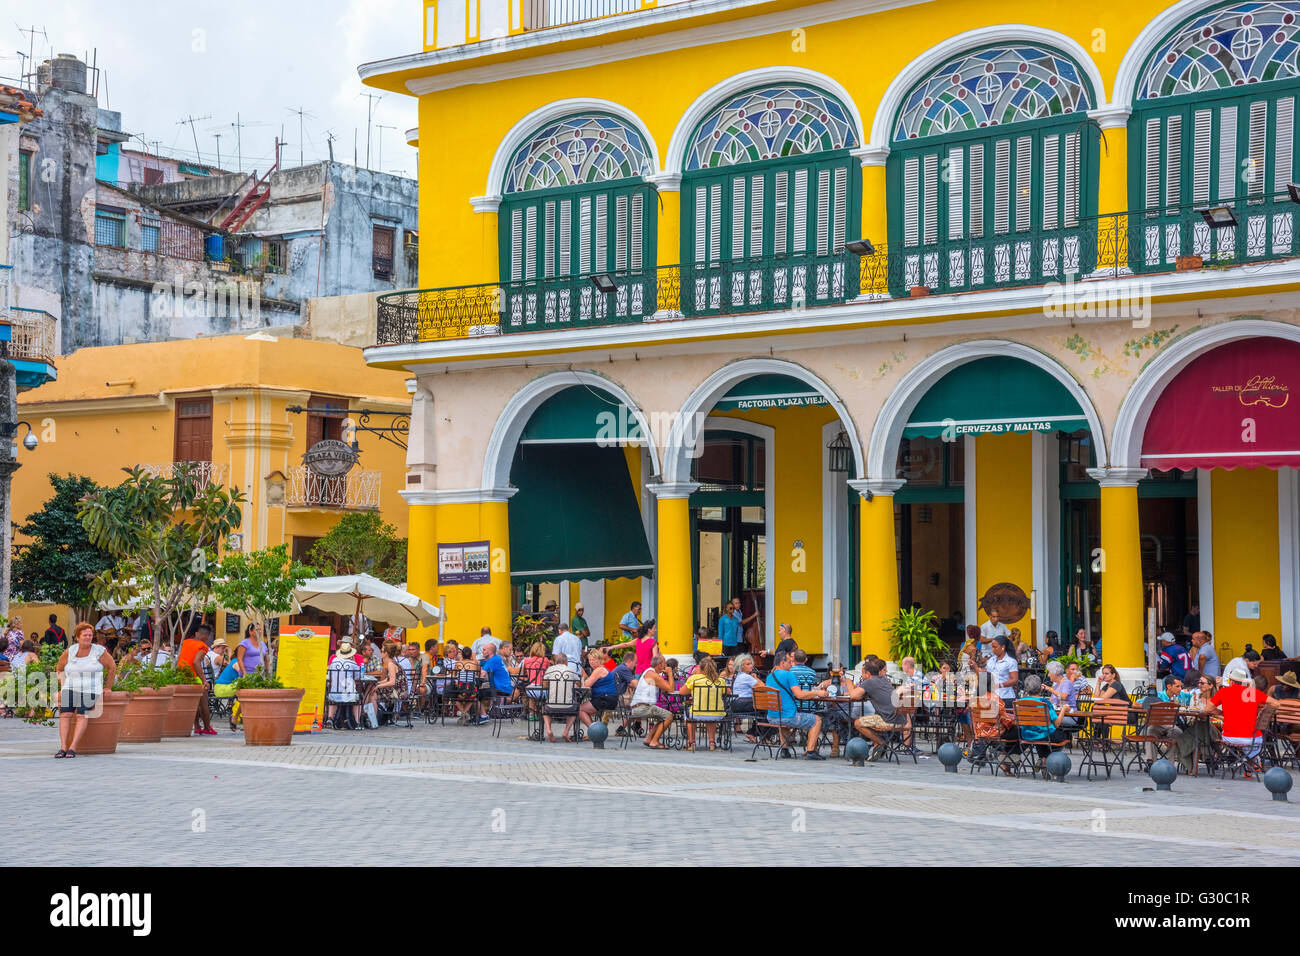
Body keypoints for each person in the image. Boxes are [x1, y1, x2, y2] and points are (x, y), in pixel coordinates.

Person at [54, 623, 117, 758]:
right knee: (65, 714)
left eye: (90, 635)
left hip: (91, 689)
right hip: (70, 687)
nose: (88, 637)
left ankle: (73, 747)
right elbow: (59, 668)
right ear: (77, 637)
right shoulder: (71, 651)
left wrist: (108, 687)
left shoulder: (98, 651)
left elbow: (112, 667)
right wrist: (63, 685)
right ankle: (63, 747)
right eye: (85, 635)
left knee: (81, 715)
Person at [766, 652, 827, 759]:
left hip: (772, 717)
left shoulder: (770, 676)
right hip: (788, 717)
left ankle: (784, 750)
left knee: (783, 719)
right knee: (817, 720)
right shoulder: (789, 675)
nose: (792, 664)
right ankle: (811, 751)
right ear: (782, 662)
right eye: (789, 662)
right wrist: (817, 692)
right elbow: (799, 694)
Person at [851, 658, 913, 759]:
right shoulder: (884, 679)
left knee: (857, 723)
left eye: (862, 673)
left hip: (890, 720)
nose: (861, 675)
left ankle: (881, 743)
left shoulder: (869, 682)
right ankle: (877, 747)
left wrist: (849, 683)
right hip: (900, 719)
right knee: (875, 718)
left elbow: (853, 696)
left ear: (868, 673)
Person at [1210, 667, 1267, 775]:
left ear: (1231, 681)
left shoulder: (1224, 691)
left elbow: (1208, 709)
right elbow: (1275, 703)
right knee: (1251, 740)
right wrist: (1263, 713)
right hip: (1253, 740)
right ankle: (1249, 762)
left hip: (1230, 738)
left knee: (1224, 735)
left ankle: (1247, 761)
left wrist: (1222, 713)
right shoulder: (1252, 692)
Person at [627, 654, 677, 749]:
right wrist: (670, 674)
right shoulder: (653, 675)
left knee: (663, 716)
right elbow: (671, 689)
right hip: (643, 707)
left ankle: (649, 738)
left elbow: (664, 688)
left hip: (639, 706)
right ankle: (654, 741)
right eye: (664, 663)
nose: (665, 666)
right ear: (659, 664)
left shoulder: (648, 672)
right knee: (669, 716)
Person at [177, 625, 217, 735]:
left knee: (192, 703)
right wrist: (204, 680)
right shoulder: (202, 646)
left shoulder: (185, 642)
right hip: (193, 676)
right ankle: (207, 728)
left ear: (196, 633)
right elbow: (196, 662)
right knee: (204, 703)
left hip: (182, 676)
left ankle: (197, 726)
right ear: (207, 637)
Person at [682, 657, 727, 750]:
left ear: (700, 668)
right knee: (710, 714)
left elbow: (682, 692)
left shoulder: (694, 679)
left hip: (697, 713)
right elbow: (727, 692)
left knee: (689, 716)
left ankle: (691, 742)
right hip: (716, 714)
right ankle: (712, 743)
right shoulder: (720, 680)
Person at [580, 648, 621, 727]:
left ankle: (595, 731)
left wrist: (584, 675)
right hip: (609, 698)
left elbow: (587, 684)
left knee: (580, 709)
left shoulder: (599, 670)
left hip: (605, 699)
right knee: (583, 708)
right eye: (590, 660)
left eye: (594, 659)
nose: (591, 662)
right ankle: (596, 729)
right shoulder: (602, 668)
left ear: (600, 660)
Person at [542, 654, 578, 742]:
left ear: (555, 662)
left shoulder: (550, 669)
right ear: (566, 662)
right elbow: (578, 684)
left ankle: (549, 730)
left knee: (543, 708)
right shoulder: (571, 670)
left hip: (551, 706)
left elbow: (544, 685)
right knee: (576, 707)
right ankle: (566, 732)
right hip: (568, 707)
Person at [985, 636, 1019, 707]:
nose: (993, 649)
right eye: (992, 647)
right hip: (992, 696)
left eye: (995, 647)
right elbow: (987, 676)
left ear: (1003, 647)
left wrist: (1000, 685)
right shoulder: (991, 660)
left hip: (1006, 697)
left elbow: (1014, 680)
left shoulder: (1011, 661)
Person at [452, 645, 482, 724]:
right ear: (471, 654)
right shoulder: (475, 663)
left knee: (455, 698)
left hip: (460, 689)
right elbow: (478, 675)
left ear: (462, 654)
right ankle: (465, 713)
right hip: (471, 689)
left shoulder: (458, 663)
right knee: (472, 698)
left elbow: (454, 675)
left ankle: (463, 713)